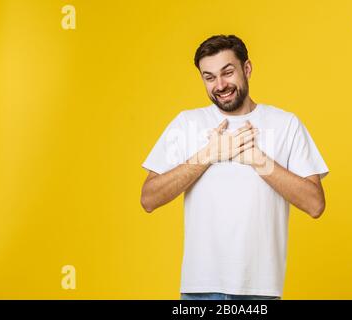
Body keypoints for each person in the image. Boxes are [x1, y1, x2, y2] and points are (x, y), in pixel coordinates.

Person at [140, 34, 329, 300]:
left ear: (247, 69)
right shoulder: (187, 124)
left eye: (227, 72)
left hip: (260, 292)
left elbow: (315, 204)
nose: (220, 85)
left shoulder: (285, 124)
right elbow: (149, 198)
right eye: (209, 77)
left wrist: (257, 159)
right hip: (199, 290)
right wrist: (207, 155)